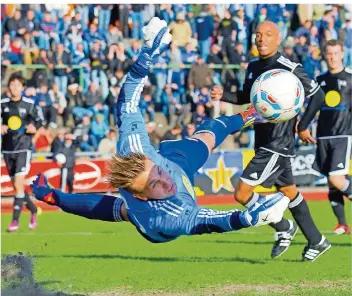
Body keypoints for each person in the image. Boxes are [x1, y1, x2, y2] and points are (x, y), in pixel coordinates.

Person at [31, 17, 289, 244]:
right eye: (155, 183)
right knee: (122, 211)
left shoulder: (137, 151)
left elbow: (127, 99)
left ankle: (251, 113)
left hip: (173, 161)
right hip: (153, 225)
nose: (164, 180)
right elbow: (211, 221)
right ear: (143, 196)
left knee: (208, 132)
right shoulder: (164, 216)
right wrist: (250, 217)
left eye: (155, 172)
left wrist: (145, 55)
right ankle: (57, 198)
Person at [211, 21, 331, 262]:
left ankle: (283, 227)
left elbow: (318, 94)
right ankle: (317, 240)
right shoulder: (254, 66)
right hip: (263, 139)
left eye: (267, 35)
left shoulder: (288, 67)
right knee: (289, 191)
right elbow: (248, 96)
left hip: (277, 144)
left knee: (242, 193)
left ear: (278, 40)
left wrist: (303, 125)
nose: (261, 39)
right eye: (257, 34)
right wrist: (223, 95)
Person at [313, 40, 352, 234]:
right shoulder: (319, 80)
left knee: (337, 179)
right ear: (324, 55)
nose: (332, 57)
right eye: (329, 53)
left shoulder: (351, 78)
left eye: (336, 53)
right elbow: (312, 108)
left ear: (342, 54)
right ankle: (342, 224)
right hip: (322, 137)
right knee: (332, 182)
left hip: (343, 135)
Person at [1, 73, 42, 232]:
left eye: (18, 85)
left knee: (18, 186)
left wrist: (34, 128)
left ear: (23, 87)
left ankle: (14, 222)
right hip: (7, 149)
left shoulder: (29, 104)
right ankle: (33, 210)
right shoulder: (2, 104)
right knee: (17, 187)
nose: (14, 87)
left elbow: (39, 120)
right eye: (12, 85)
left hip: (23, 148)